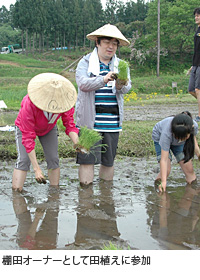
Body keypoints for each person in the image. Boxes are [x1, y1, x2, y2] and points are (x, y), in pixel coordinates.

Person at [75, 24, 132, 185]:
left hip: (112, 123)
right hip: (89, 123)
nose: (111, 46)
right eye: (107, 42)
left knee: (109, 161)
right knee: (87, 160)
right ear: (97, 43)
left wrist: (120, 84)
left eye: (115, 43)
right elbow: (82, 83)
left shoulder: (121, 65)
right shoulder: (85, 62)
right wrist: (103, 79)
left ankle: (106, 197)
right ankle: (86, 200)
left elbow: (127, 87)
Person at [12, 73, 79, 192]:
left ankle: (54, 193)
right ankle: (17, 192)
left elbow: (69, 124)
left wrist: (77, 143)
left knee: (53, 158)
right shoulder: (29, 103)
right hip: (25, 128)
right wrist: (37, 169)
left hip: (48, 128)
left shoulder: (64, 103)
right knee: (24, 159)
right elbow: (28, 137)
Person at [152, 111, 200, 192]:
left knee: (189, 170)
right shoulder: (166, 133)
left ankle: (191, 194)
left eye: (184, 137)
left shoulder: (193, 126)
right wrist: (164, 182)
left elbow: (194, 143)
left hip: (178, 142)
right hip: (160, 138)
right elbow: (163, 160)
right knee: (166, 170)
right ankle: (158, 190)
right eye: (178, 137)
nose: (180, 140)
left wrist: (199, 155)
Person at [188, 7, 200, 121]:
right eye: (195, 15)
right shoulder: (197, 30)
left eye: (198, 15)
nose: (196, 17)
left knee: (198, 89)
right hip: (196, 64)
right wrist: (193, 65)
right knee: (191, 89)